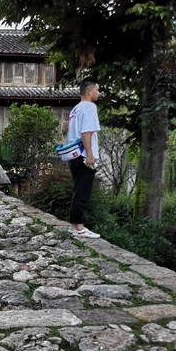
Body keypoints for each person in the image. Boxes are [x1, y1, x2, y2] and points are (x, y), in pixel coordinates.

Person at [67, 79, 102, 239]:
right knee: (83, 192)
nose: (98, 93)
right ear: (89, 92)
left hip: (73, 155)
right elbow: (86, 132)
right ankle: (79, 227)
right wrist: (89, 155)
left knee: (77, 190)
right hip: (83, 155)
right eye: (97, 90)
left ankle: (74, 225)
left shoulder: (75, 108)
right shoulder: (89, 107)